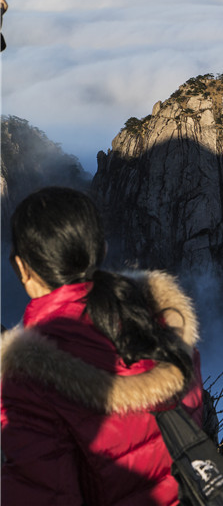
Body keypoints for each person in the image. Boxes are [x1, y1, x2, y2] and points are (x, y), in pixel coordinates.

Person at [1, 186, 204, 505]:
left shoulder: (28, 377)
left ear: (21, 268)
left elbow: (44, 493)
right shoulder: (161, 324)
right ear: (103, 248)